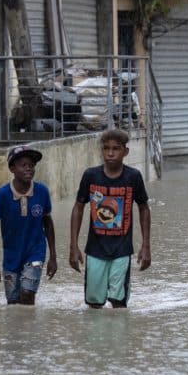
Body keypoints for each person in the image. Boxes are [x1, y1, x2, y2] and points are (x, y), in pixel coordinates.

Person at [69, 129, 151, 309]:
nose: (111, 153)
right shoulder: (91, 176)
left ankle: (119, 338)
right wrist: (73, 246)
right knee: (94, 303)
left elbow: (144, 208)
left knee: (118, 303)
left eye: (116, 148)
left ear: (125, 152)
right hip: (95, 249)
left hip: (122, 249)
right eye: (106, 148)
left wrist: (146, 245)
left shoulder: (133, 177)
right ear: (101, 150)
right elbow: (78, 207)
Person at [0, 145, 57, 305]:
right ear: (12, 168)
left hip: (35, 252)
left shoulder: (42, 192)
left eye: (31, 165)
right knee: (13, 302)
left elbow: (48, 223)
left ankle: (30, 329)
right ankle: (19, 330)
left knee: (27, 294)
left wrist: (53, 256)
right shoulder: (3, 195)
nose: (28, 169)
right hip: (11, 256)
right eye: (23, 165)